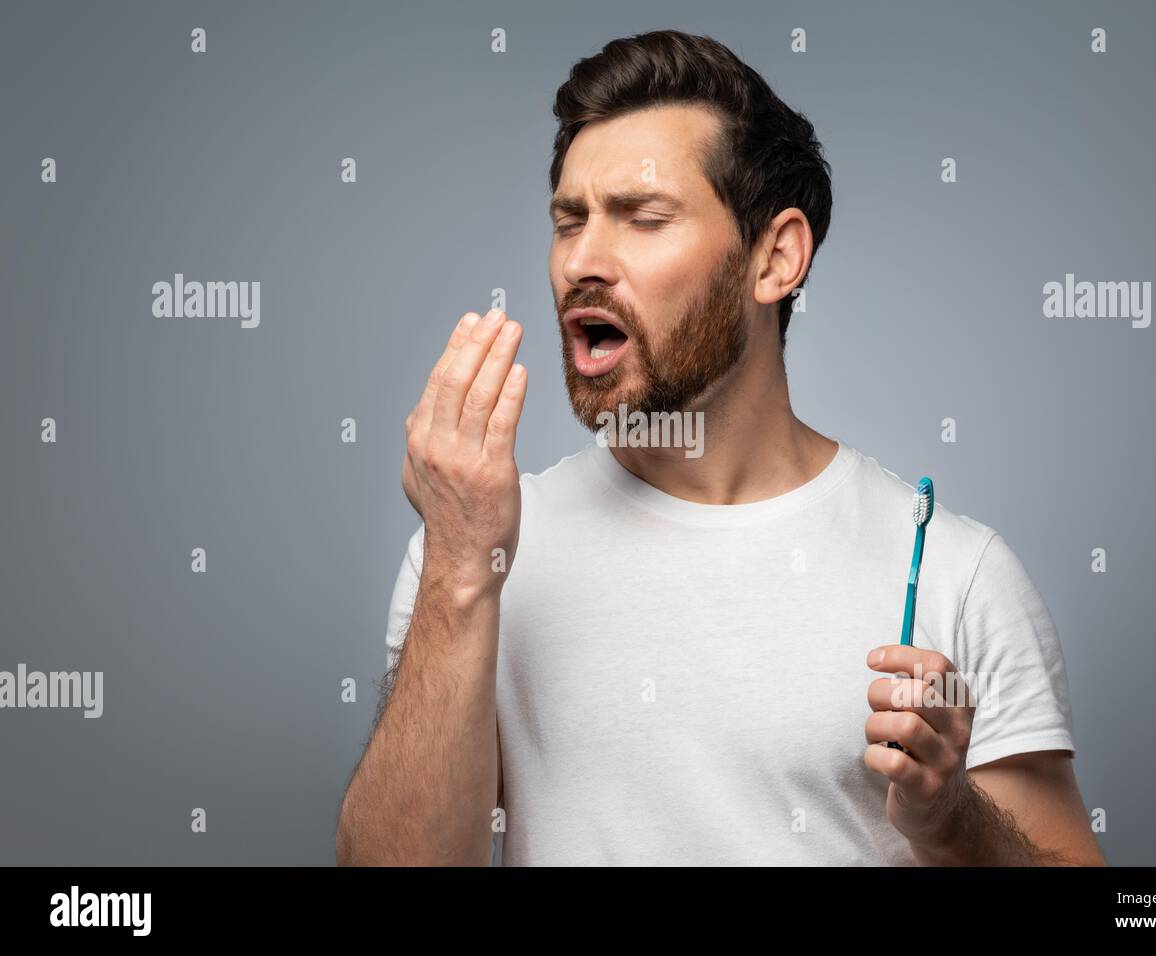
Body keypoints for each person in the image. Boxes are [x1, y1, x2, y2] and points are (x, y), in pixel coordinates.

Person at [335, 29, 1105, 866]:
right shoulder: (474, 554)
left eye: (643, 217)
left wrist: (950, 817)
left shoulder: (958, 570)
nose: (581, 262)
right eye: (570, 222)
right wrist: (457, 566)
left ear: (775, 259)